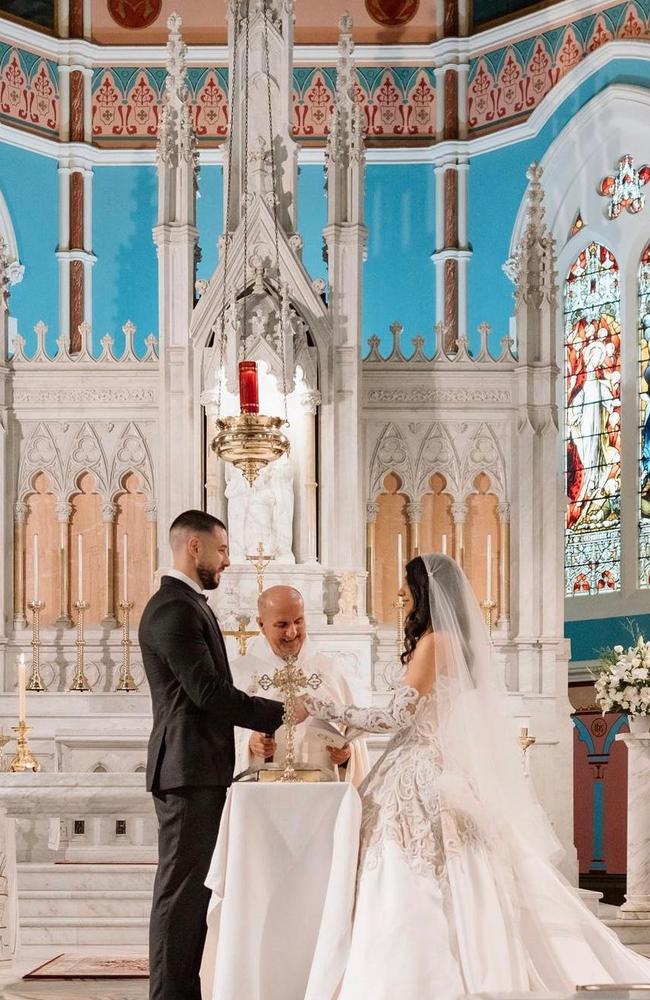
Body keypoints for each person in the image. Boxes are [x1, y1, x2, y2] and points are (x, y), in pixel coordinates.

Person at [299, 553, 650, 999]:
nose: (402, 596)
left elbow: (395, 716)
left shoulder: (434, 643)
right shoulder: (447, 642)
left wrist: (327, 707)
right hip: (426, 762)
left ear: (427, 593)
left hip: (420, 769)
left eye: (408, 589)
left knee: (408, 862)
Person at [138, 510, 304, 1000]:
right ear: (195, 547)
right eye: (223, 549)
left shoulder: (187, 604)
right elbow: (206, 692)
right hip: (186, 768)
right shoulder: (174, 609)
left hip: (197, 767)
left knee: (192, 895)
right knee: (181, 895)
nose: (227, 560)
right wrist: (282, 712)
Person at [232, 585, 369, 785]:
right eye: (282, 624)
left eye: (299, 621)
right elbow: (220, 739)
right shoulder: (240, 674)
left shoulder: (330, 670)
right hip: (263, 795)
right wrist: (249, 743)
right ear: (261, 624)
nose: (292, 632)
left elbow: (355, 737)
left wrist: (347, 755)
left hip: (321, 795)